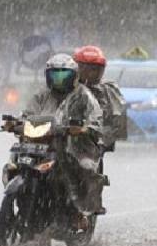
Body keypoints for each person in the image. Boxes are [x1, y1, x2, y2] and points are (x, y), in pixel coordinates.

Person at [7, 53, 104, 217]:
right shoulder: (41, 95)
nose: (59, 80)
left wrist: (83, 129)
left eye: (64, 75)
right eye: (54, 75)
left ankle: (81, 213)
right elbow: (28, 114)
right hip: (42, 144)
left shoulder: (84, 96)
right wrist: (15, 124)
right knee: (16, 161)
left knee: (85, 169)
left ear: (74, 76)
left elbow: (96, 119)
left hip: (74, 146)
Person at [73, 45, 127, 152]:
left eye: (95, 69)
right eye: (84, 68)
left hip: (93, 141)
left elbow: (116, 122)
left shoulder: (108, 90)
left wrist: (97, 134)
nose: (90, 73)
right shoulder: (67, 87)